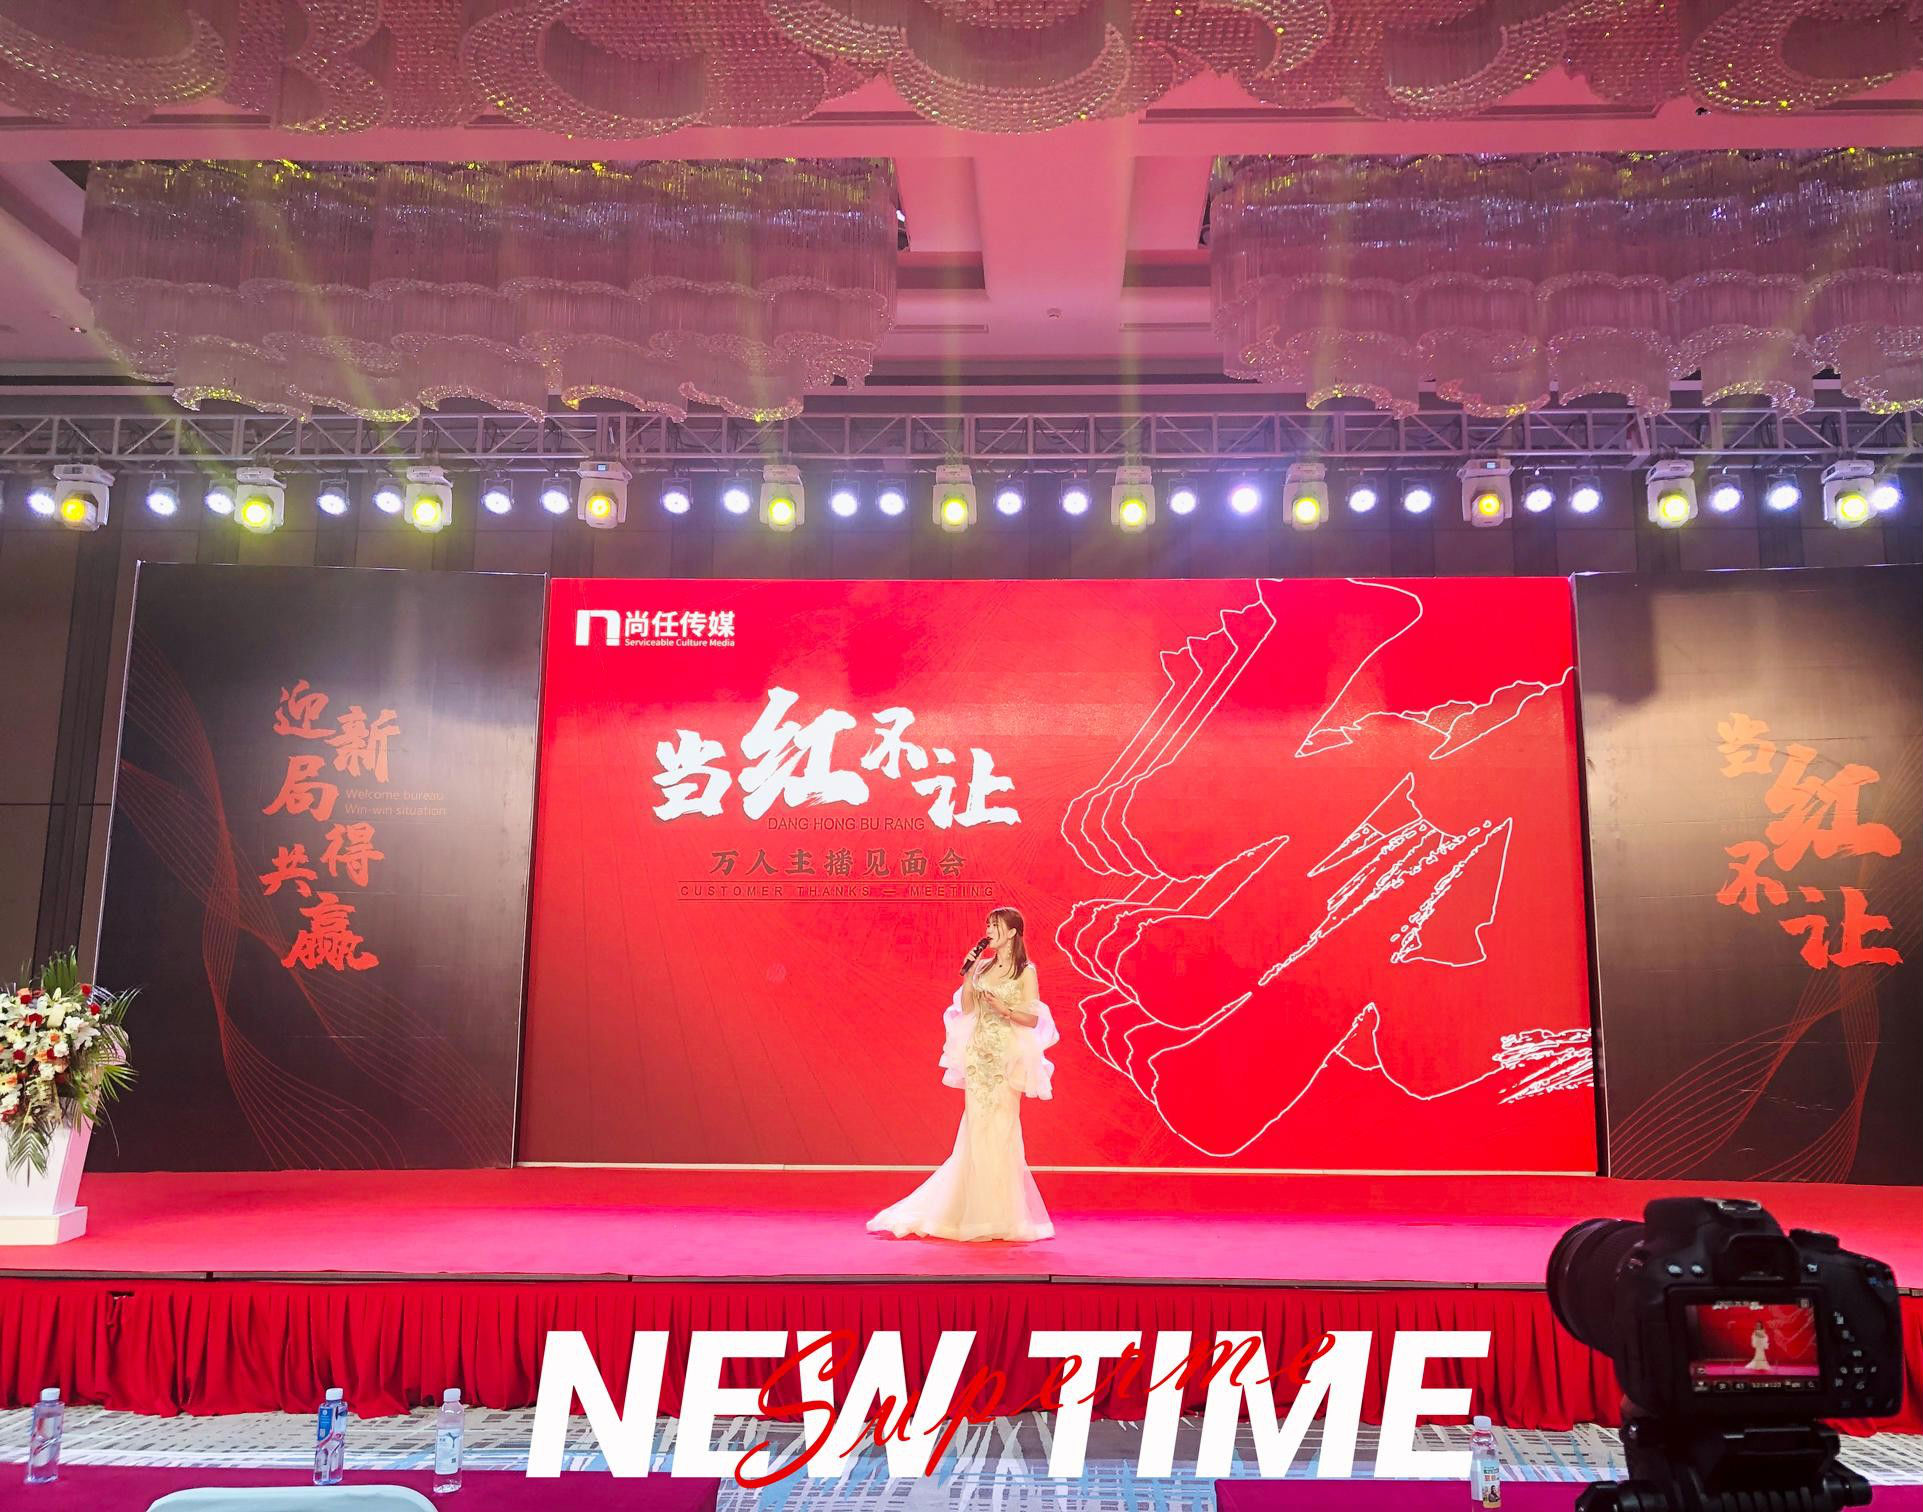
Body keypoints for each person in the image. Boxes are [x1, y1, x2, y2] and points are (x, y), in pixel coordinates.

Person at [868, 906, 1059, 1242]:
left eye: (995, 925)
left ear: (1012, 932)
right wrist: (969, 975)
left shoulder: (1025, 971)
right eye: (988, 924)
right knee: (976, 1131)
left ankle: (1001, 1214)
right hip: (978, 1058)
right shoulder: (982, 966)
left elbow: (1033, 1019)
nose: (989, 930)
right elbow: (968, 1009)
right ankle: (975, 1213)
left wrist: (1004, 1009)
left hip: (1004, 1061)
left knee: (1002, 1131)